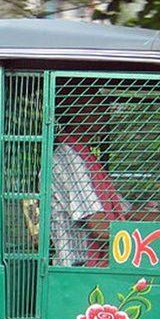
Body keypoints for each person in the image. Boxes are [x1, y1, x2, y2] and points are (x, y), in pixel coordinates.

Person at [50, 112, 128, 266]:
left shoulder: (88, 159)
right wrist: (148, 236)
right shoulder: (67, 159)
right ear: (76, 109)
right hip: (78, 268)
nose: (105, 111)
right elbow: (98, 226)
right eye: (96, 103)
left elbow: (125, 211)